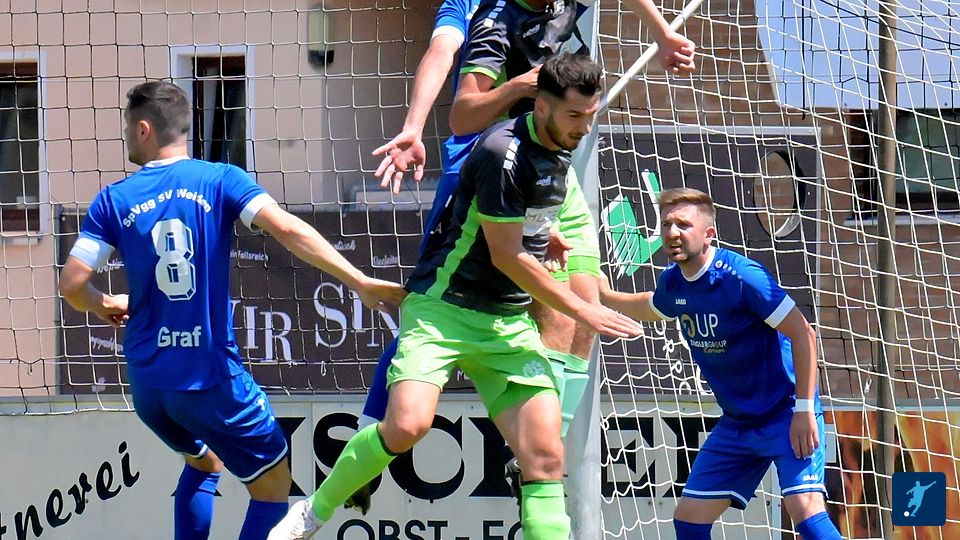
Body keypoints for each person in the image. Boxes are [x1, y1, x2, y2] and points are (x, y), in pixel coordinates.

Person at [269, 53, 642, 540]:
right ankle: (312, 513)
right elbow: (506, 256)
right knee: (407, 426)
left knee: (546, 457)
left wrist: (544, 233)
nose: (584, 127)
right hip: (444, 310)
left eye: (590, 116)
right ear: (541, 106)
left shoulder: (560, 146)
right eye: (575, 115)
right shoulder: (502, 152)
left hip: (506, 324)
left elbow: (519, 219)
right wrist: (582, 308)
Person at [58, 81, 406, 540]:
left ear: (143, 129)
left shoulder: (113, 199)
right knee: (272, 483)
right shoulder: (221, 179)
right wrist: (359, 280)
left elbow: (72, 285)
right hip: (207, 377)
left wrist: (104, 303)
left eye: (127, 128)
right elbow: (287, 229)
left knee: (205, 462)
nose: (126, 136)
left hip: (148, 384)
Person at [359, 0, 697, 465]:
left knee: (580, 308)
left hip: (549, 171)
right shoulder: (485, 16)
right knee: (431, 304)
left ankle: (537, 457)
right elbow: (444, 66)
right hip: (487, 170)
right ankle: (371, 433)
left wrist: (661, 33)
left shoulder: (560, 8)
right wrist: (414, 127)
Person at [598, 187, 842, 540]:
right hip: (739, 422)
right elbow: (650, 307)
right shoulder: (673, 282)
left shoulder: (742, 277)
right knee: (689, 518)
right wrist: (605, 296)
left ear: (709, 233)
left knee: (804, 512)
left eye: (683, 224)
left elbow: (804, 334)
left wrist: (804, 409)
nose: (672, 233)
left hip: (786, 414)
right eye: (666, 224)